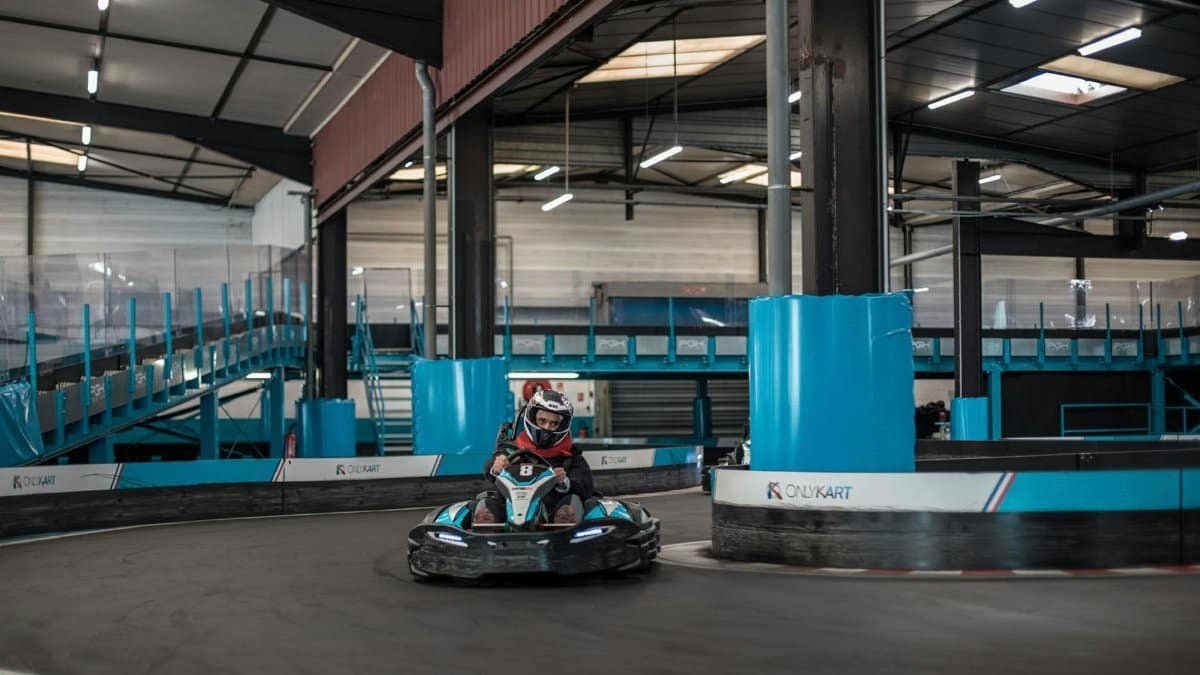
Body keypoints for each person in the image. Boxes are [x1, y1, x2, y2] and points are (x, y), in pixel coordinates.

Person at [473, 389, 594, 525]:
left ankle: (566, 536)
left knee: (573, 502)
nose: (547, 428)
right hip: (509, 512)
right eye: (542, 421)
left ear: (563, 426)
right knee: (484, 504)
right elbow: (489, 467)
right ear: (531, 418)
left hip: (551, 516)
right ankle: (486, 534)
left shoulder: (570, 456)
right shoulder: (511, 449)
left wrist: (565, 482)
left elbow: (586, 485)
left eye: (554, 424)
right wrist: (497, 467)